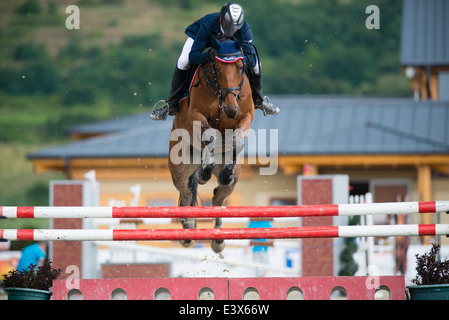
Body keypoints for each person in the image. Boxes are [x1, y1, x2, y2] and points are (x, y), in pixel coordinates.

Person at [151, 2, 280, 121]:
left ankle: (259, 100)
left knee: (257, 64)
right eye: (229, 26)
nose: (233, 30)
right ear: (221, 20)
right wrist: (210, 56)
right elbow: (194, 56)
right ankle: (172, 103)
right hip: (203, 38)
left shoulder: (244, 28)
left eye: (236, 27)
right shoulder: (208, 24)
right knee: (183, 60)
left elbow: (251, 59)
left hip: (230, 51)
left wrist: (236, 59)